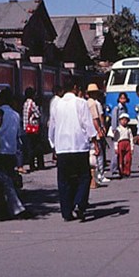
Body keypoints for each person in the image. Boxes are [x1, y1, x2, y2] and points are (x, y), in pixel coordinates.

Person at [49, 79, 99, 221]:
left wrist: (53, 145)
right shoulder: (81, 103)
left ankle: (66, 211)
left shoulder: (56, 105)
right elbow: (87, 124)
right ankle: (79, 203)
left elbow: (52, 126)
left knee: (64, 180)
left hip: (62, 147)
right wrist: (94, 141)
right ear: (76, 88)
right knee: (84, 177)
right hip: (79, 146)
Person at [0, 88, 23, 180]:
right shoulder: (16, 114)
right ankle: (12, 192)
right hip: (12, 149)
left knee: (0, 175)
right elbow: (18, 133)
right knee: (10, 173)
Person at [85, 83, 108, 185]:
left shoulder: (85, 102)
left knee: (91, 153)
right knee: (99, 154)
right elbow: (96, 118)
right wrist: (101, 129)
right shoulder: (94, 103)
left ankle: (94, 175)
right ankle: (100, 175)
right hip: (95, 130)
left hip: (87, 131)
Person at [108, 92, 128, 179]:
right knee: (115, 151)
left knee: (121, 151)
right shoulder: (116, 108)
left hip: (123, 132)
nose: (123, 100)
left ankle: (121, 169)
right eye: (121, 98)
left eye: (124, 98)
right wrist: (114, 130)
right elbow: (114, 120)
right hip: (117, 132)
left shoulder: (125, 108)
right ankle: (114, 169)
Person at [22, 87, 43, 171]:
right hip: (33, 127)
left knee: (30, 146)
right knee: (37, 146)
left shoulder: (25, 103)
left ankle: (31, 164)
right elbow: (38, 114)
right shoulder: (32, 103)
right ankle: (39, 163)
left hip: (27, 127)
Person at [113, 113, 133, 177]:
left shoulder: (128, 129)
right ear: (119, 121)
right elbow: (116, 139)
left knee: (128, 158)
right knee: (120, 158)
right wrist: (116, 147)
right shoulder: (118, 129)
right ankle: (121, 171)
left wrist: (132, 147)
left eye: (125, 120)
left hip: (127, 143)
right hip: (120, 143)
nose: (124, 121)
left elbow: (131, 138)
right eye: (122, 120)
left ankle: (127, 171)